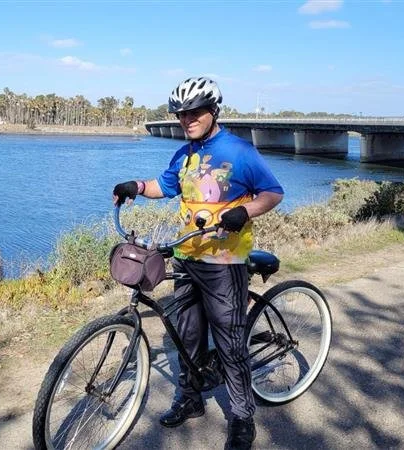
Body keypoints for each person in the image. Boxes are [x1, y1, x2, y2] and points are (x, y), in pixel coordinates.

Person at [112, 76, 283, 449]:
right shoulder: (184, 154)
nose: (186, 119)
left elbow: (273, 193)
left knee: (230, 342)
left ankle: (242, 416)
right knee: (188, 336)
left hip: (225, 261)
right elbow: (164, 186)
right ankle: (190, 399)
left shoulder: (239, 151)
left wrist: (244, 211)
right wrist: (135, 187)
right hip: (187, 256)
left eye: (194, 112)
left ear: (213, 111)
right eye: (180, 114)